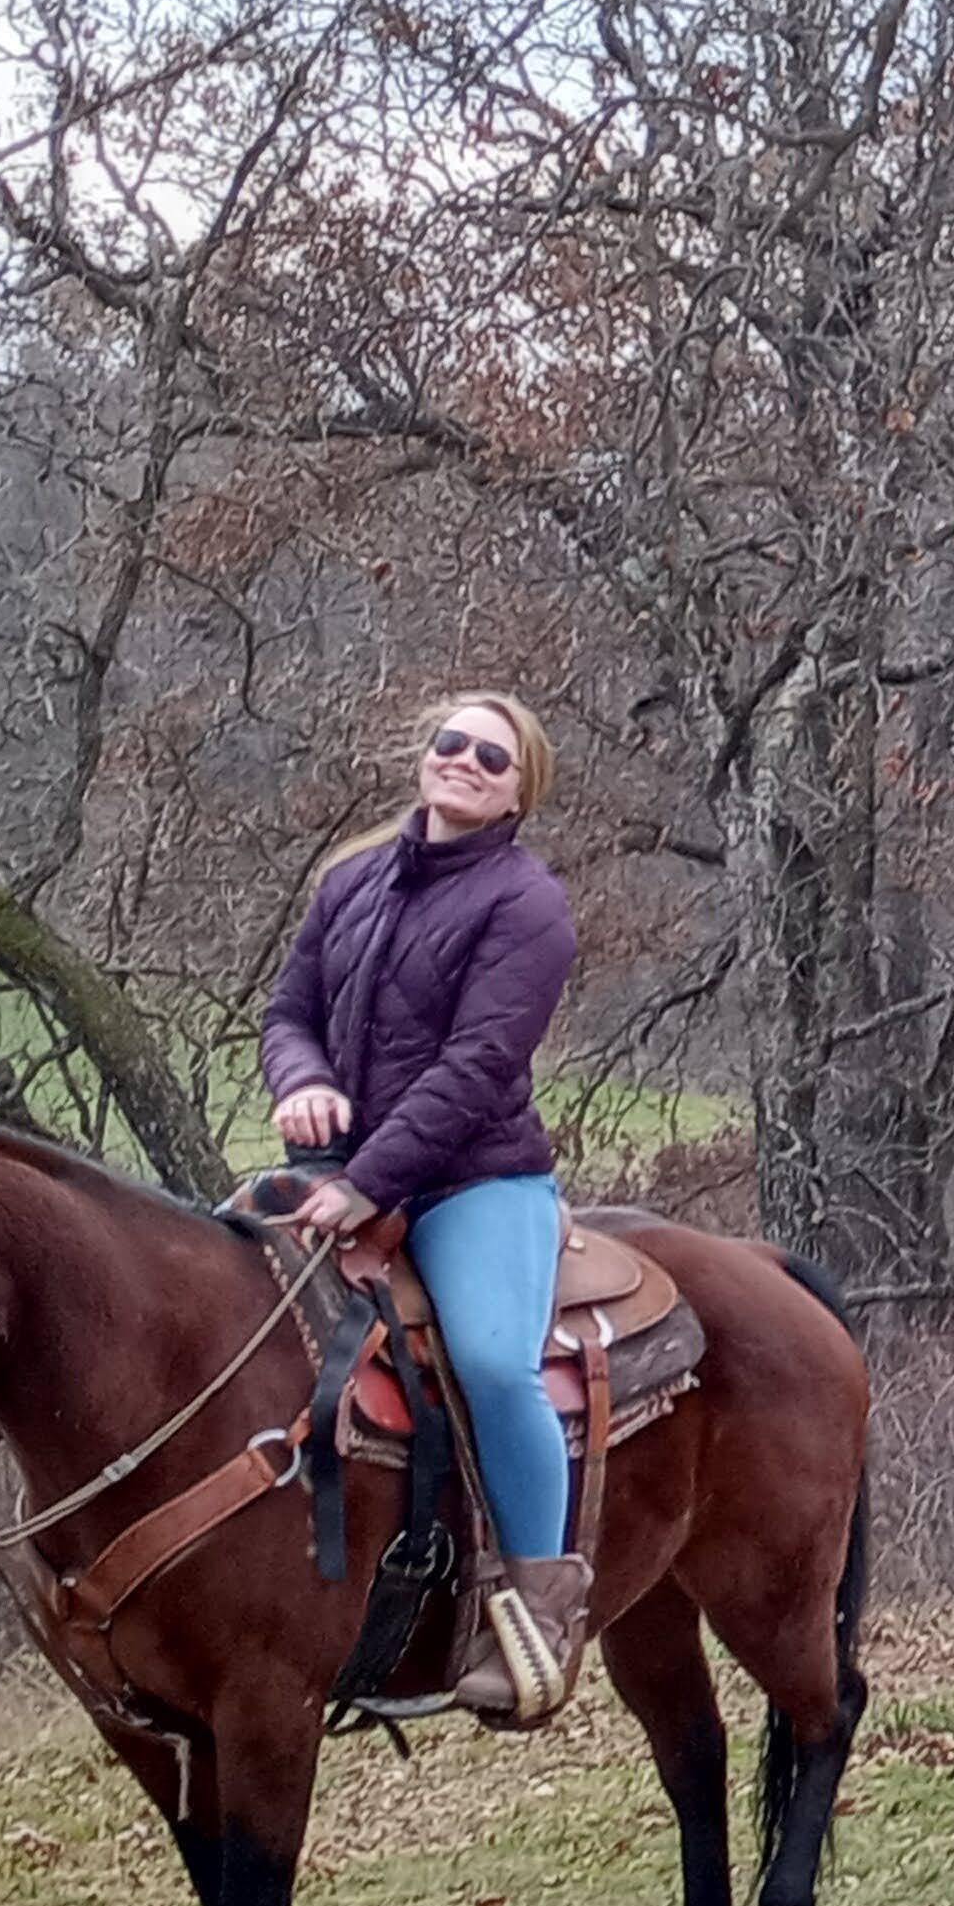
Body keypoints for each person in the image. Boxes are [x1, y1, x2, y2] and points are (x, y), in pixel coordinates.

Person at [257, 692, 592, 1719]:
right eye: (451, 743)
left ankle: (542, 1610)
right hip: (335, 1173)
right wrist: (298, 1081)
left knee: (494, 1363)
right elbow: (288, 1011)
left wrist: (371, 1183)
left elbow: (478, 1066)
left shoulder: (527, 908)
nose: (465, 762)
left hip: (472, 1183)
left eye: (492, 757)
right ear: (425, 758)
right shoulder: (349, 881)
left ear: (517, 793)